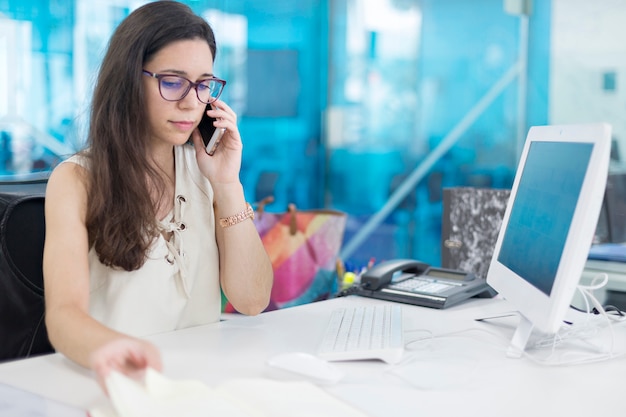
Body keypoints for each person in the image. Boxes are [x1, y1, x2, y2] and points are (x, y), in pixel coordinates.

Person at [42, 0, 273, 390]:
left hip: (203, 384)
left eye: (203, 85)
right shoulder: (77, 180)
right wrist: (113, 349)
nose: (190, 102)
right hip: (123, 385)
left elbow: (252, 300)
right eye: (172, 81)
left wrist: (227, 184)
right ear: (130, 80)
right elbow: (63, 316)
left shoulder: (206, 169)